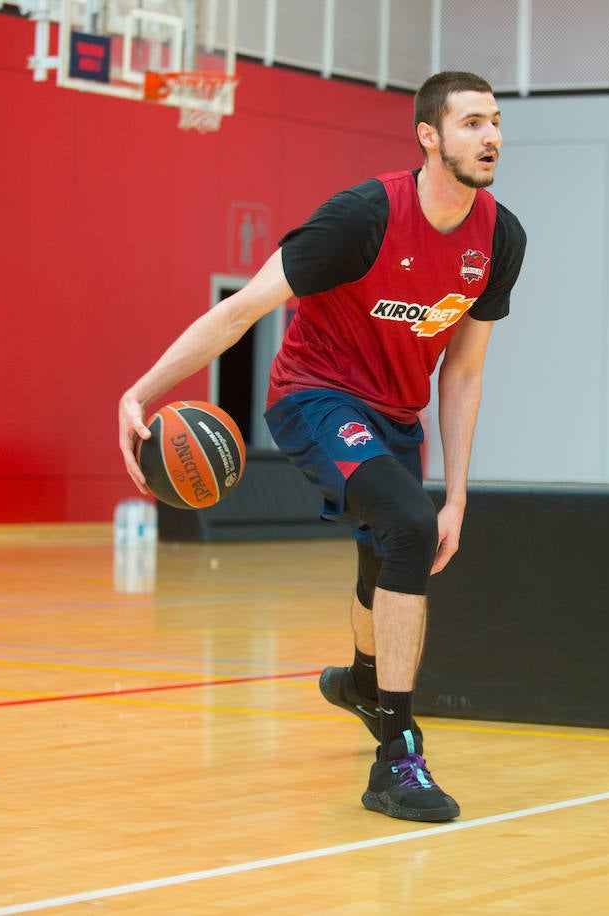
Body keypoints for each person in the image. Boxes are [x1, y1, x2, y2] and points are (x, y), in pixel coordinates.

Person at [117, 70, 526, 822]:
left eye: (495, 121)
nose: (491, 135)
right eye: (471, 123)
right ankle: (397, 757)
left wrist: (460, 495)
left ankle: (363, 683)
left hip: (397, 417)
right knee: (404, 523)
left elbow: (463, 371)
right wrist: (140, 392)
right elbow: (241, 310)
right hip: (314, 395)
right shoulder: (362, 217)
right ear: (428, 138)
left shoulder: (500, 237)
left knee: (390, 549)